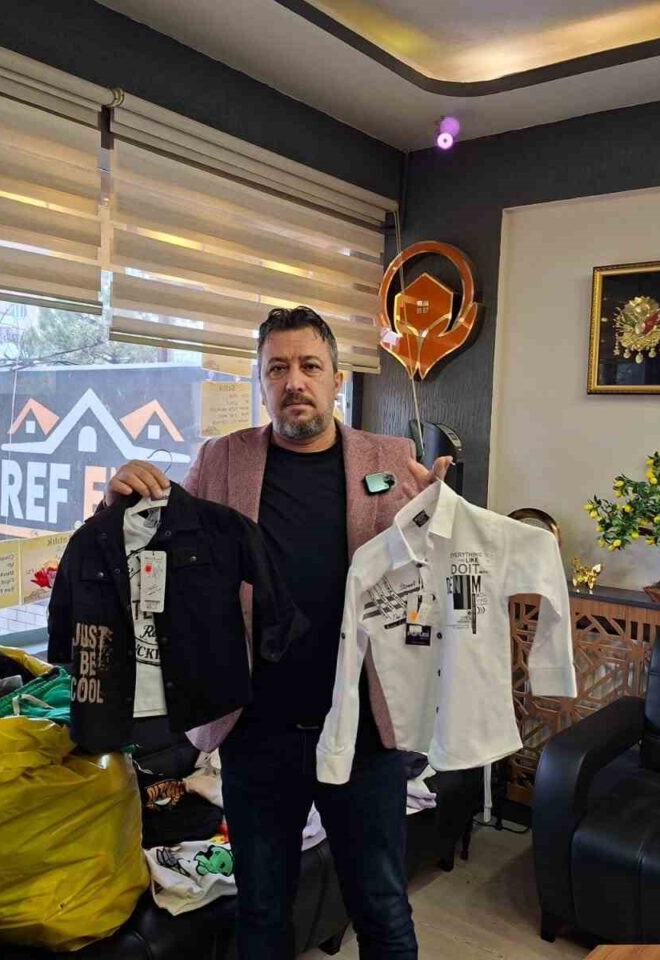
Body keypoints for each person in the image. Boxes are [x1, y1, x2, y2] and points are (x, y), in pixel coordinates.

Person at [106, 305, 450, 960]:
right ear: (261, 382)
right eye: (278, 369)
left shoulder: (389, 458)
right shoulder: (221, 460)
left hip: (364, 731)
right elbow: (157, 553)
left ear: (337, 379)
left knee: (382, 906)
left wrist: (441, 523)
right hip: (257, 733)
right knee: (263, 911)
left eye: (310, 366)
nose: (295, 381)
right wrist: (118, 502)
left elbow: (430, 580)